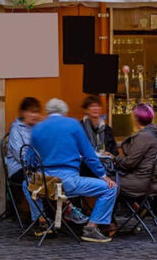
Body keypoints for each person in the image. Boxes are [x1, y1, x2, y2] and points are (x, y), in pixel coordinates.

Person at [27, 98, 118, 243]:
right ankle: (91, 228)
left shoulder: (37, 128)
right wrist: (103, 175)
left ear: (48, 111)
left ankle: (43, 221)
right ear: (64, 112)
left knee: (28, 186)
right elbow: (89, 154)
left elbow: (30, 160)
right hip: (67, 182)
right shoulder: (73, 125)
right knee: (110, 189)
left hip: (43, 182)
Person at [6, 97, 89, 228]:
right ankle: (54, 214)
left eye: (37, 112)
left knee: (56, 176)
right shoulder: (16, 129)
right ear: (23, 113)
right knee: (35, 180)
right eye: (31, 112)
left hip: (41, 167)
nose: (35, 115)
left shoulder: (40, 127)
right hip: (20, 168)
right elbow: (21, 157)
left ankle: (62, 213)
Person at [114, 104, 157, 197]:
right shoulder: (154, 133)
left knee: (105, 181)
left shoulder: (143, 137)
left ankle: (107, 211)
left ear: (136, 118)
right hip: (154, 181)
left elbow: (129, 164)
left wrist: (115, 159)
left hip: (142, 183)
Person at [80, 96, 116, 177]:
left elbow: (114, 151)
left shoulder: (108, 130)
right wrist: (96, 154)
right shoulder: (79, 128)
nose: (95, 108)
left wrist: (110, 155)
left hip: (106, 167)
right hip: (85, 168)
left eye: (97, 106)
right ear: (86, 110)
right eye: (92, 106)